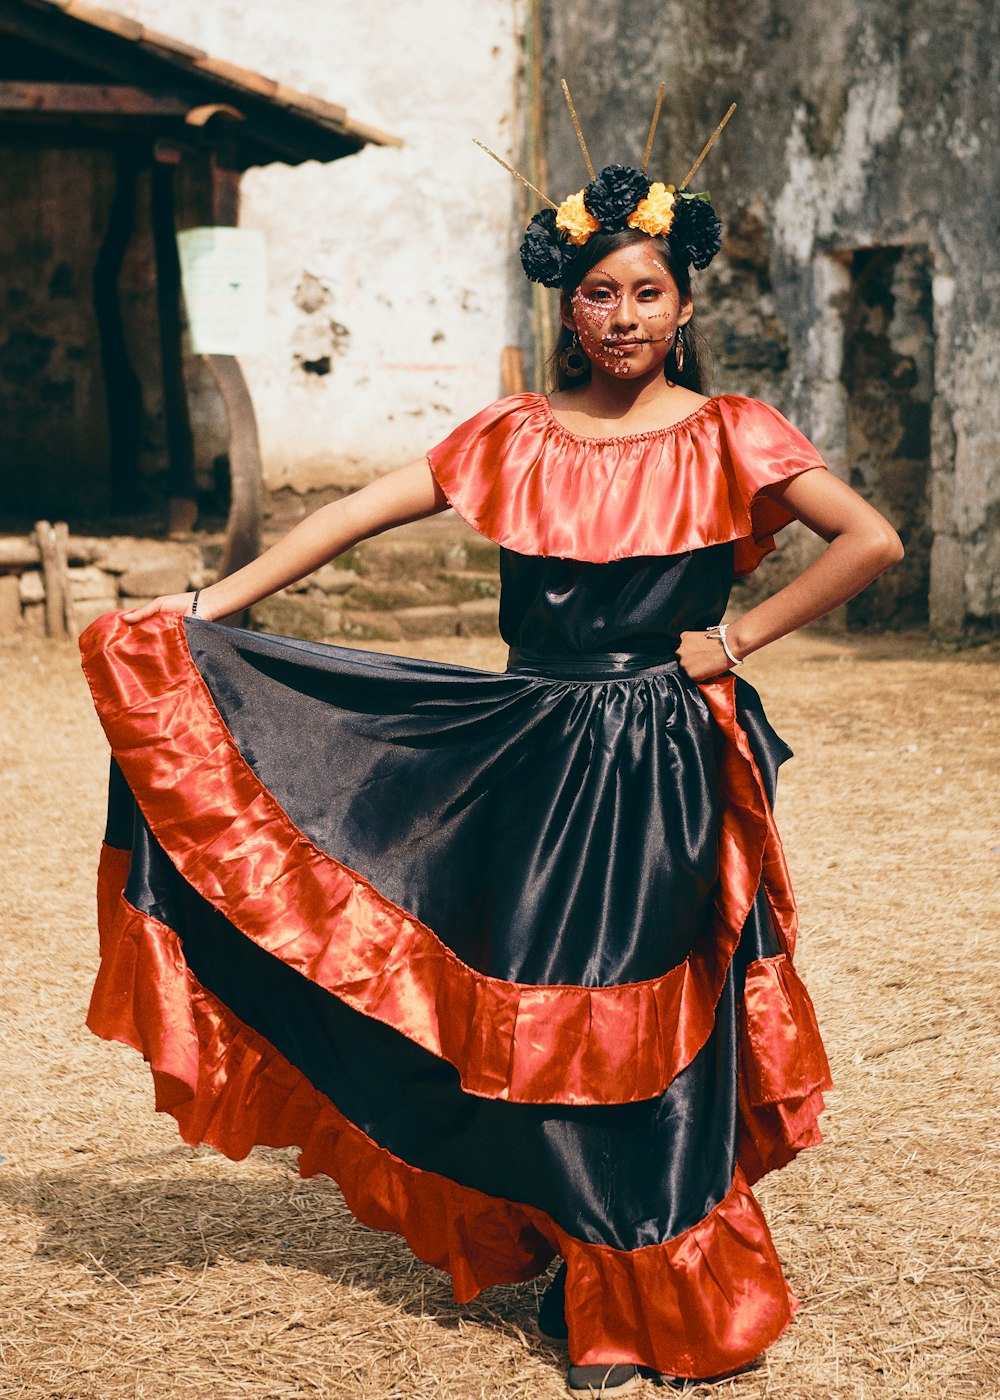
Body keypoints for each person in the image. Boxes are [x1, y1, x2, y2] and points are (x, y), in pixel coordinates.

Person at [81, 115, 902, 1400]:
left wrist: (732, 639)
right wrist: (209, 617)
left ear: (682, 304)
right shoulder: (515, 432)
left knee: (635, 1016)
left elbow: (870, 540)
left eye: (646, 292)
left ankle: (647, 1294)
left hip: (658, 760)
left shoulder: (735, 431)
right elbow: (353, 510)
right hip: (528, 744)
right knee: (530, 1009)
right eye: (598, 295)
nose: (622, 315)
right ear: (570, 310)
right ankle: (563, 1233)